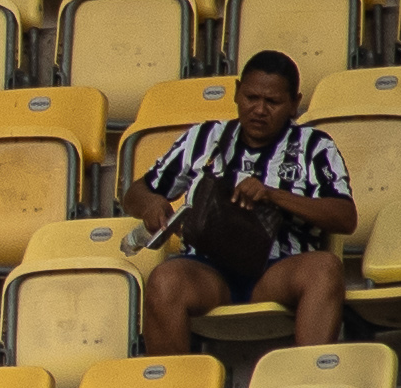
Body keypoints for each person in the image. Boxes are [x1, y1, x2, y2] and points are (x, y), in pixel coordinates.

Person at [130, 49, 353, 353]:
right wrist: (151, 204)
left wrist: (273, 195)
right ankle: (172, 381)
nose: (259, 110)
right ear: (236, 92)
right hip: (209, 270)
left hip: (278, 271)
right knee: (164, 279)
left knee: (325, 268)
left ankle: (308, 376)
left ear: (294, 104)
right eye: (251, 98)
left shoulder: (315, 146)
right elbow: (135, 192)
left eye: (272, 102)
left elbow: (345, 217)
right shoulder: (203, 137)